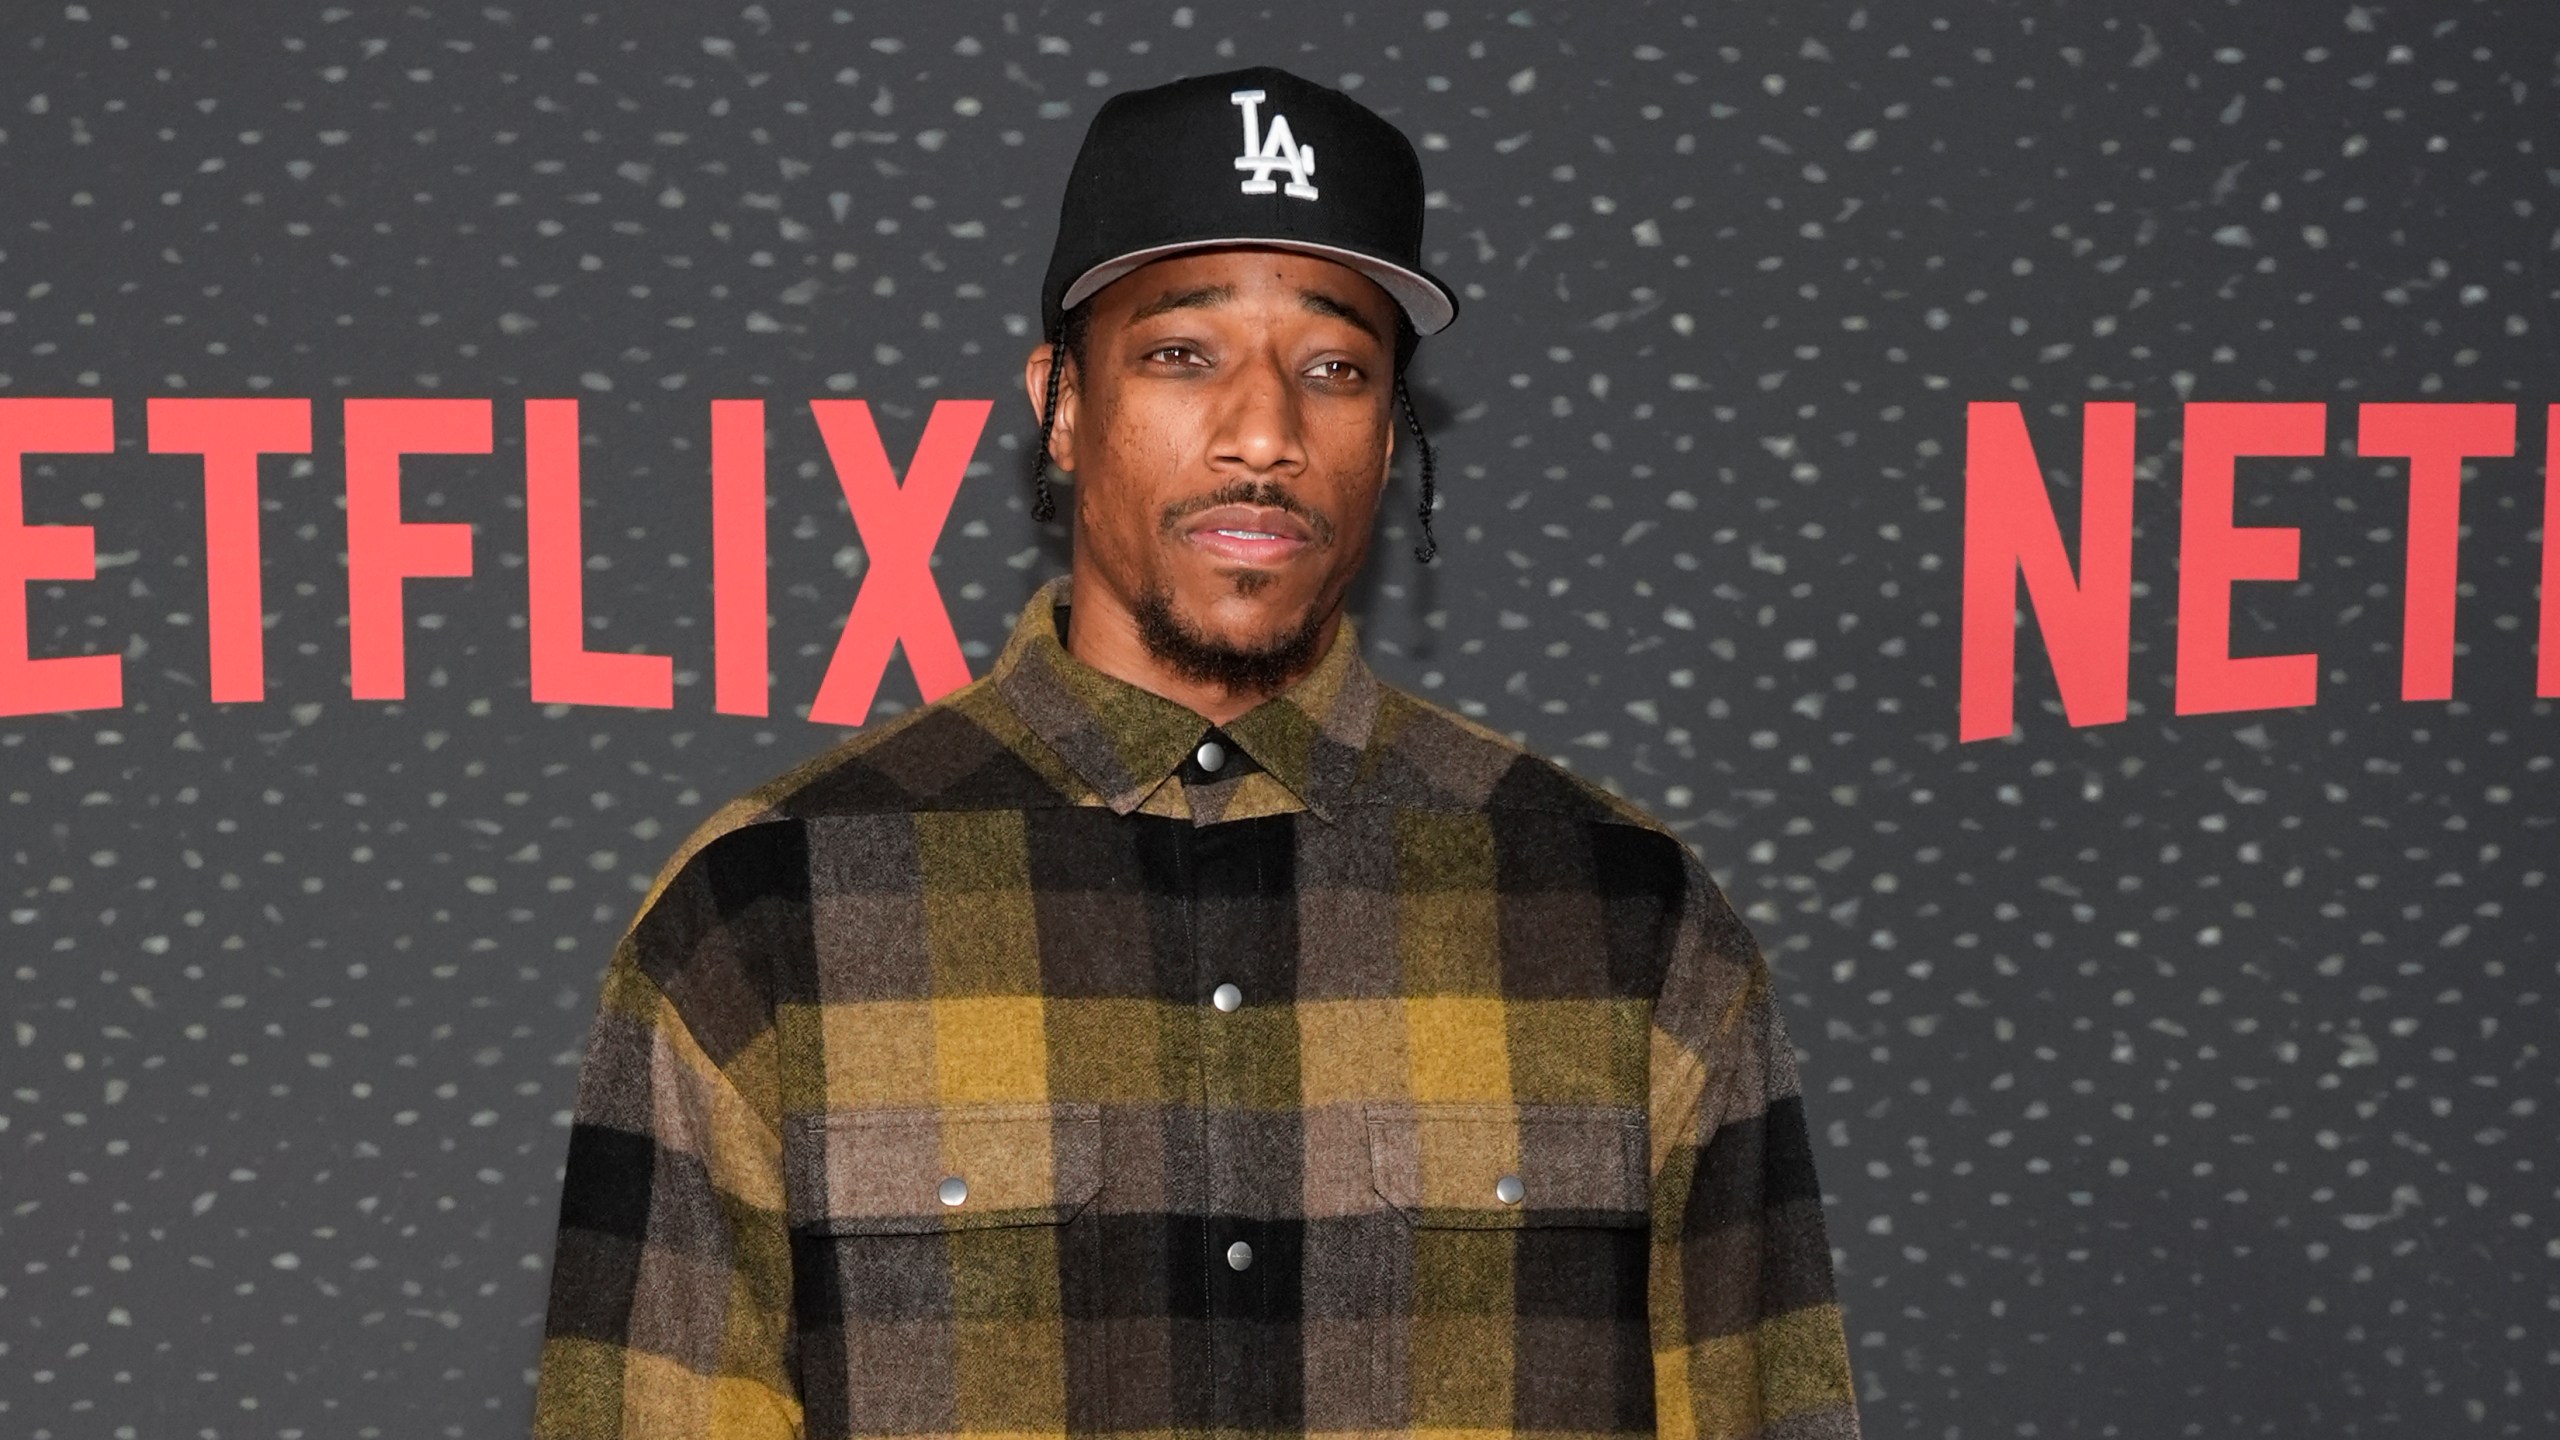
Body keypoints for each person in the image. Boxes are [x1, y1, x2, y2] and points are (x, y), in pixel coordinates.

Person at [530, 65, 1861, 1440]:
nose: (1266, 433)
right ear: (1060, 401)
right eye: (1183, 353)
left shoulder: (1624, 916)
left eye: (1335, 367)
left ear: (1392, 433)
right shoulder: (768, 911)